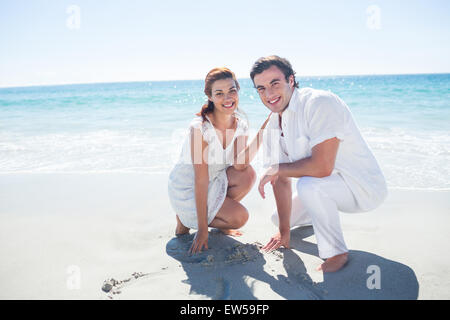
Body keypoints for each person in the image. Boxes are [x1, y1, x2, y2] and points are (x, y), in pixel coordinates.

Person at [250, 55, 388, 272]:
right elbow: (280, 179)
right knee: (278, 218)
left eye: (275, 83)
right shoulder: (272, 126)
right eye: (261, 88)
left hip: (362, 187)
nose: (269, 94)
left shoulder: (319, 102)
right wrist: (285, 231)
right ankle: (318, 214)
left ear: (291, 80)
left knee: (308, 185)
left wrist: (278, 168)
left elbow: (322, 166)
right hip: (329, 187)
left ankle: (336, 252)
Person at [168, 67, 271, 255]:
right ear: (210, 96)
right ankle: (186, 219)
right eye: (219, 93)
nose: (228, 98)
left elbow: (240, 164)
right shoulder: (200, 129)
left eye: (232, 91)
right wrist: (201, 230)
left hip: (214, 180)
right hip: (189, 188)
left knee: (247, 175)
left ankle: (217, 218)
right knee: (240, 217)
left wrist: (264, 131)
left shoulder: (240, 124)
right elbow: (200, 180)